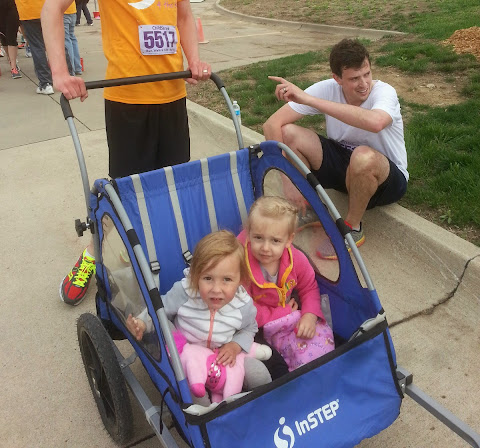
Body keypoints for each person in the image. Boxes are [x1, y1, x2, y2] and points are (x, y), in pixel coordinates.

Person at [41, 0, 211, 305]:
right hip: (128, 102)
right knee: (124, 198)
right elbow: (52, 7)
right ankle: (94, 255)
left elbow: (182, 12)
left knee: (170, 193)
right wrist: (61, 72)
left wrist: (194, 59)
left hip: (172, 97)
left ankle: (165, 265)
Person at [263, 39, 408, 259]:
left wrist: (311, 101)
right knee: (288, 133)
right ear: (337, 78)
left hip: (385, 178)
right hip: (345, 167)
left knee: (362, 156)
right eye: (354, 79)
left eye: (367, 74)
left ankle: (352, 229)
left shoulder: (385, 92)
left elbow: (375, 122)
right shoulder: (327, 88)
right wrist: (288, 183)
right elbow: (271, 125)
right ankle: (310, 210)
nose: (363, 84)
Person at [127, 230, 271, 401]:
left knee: (259, 374)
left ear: (240, 280)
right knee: (196, 397)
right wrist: (142, 323)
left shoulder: (242, 305)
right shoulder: (185, 293)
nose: (216, 289)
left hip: (223, 356)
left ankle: (265, 404)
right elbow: (159, 309)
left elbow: (250, 328)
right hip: (188, 356)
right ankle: (209, 414)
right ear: (196, 276)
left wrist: (235, 345)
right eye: (208, 278)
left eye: (227, 280)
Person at [237, 197, 334, 372]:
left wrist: (309, 315)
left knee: (318, 343)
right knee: (275, 364)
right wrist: (282, 312)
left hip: (291, 316)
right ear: (249, 233)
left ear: (289, 240)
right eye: (258, 238)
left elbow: (309, 287)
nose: (265, 248)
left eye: (275, 241)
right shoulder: (242, 265)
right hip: (258, 324)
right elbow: (245, 308)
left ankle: (317, 370)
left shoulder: (296, 259)